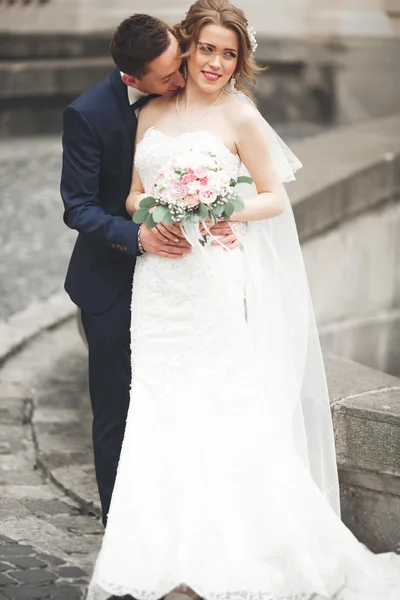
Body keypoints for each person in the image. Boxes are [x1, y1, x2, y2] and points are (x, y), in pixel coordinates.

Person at [87, 1, 400, 599]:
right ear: (186, 45)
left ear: (240, 60)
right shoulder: (148, 111)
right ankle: (161, 559)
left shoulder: (240, 117)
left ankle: (228, 560)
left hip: (212, 283)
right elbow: (130, 194)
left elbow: (273, 198)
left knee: (219, 407)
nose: (216, 63)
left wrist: (216, 206)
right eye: (207, 48)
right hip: (160, 283)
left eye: (229, 54)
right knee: (159, 408)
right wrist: (156, 215)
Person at [60, 13, 239, 528]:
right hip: (112, 281)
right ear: (133, 80)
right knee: (118, 409)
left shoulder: (208, 99)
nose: (181, 80)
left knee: (187, 396)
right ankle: (123, 529)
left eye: (180, 64)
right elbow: (78, 207)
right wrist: (137, 236)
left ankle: (185, 520)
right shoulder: (88, 114)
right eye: (167, 77)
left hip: (186, 282)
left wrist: (229, 222)